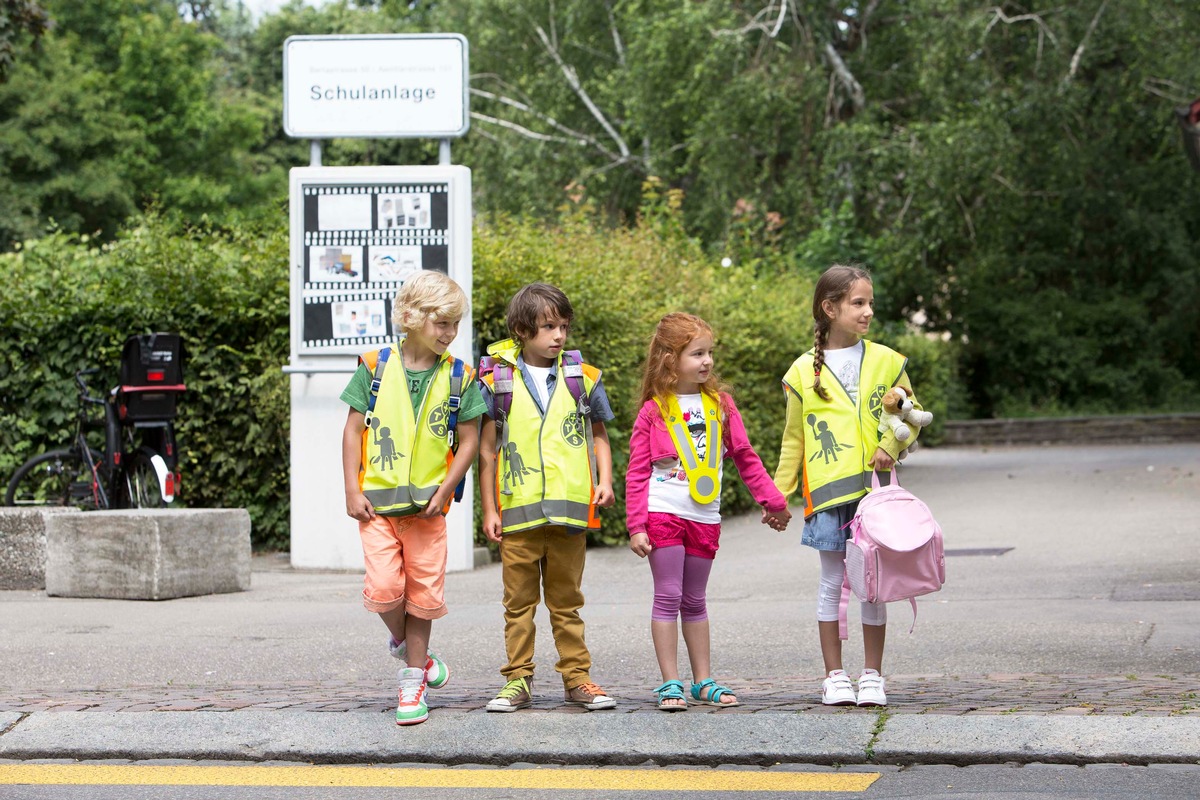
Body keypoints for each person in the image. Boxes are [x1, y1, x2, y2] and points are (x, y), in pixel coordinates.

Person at [773, 264, 927, 708]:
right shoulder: (802, 372)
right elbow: (794, 440)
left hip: (875, 497)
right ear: (830, 308)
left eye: (870, 303)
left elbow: (911, 418)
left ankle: (873, 676)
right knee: (831, 582)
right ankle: (834, 676)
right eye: (858, 303)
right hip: (827, 496)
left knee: (872, 584)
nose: (868, 312)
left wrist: (888, 448)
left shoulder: (887, 360)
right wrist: (776, 496)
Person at [339, 270, 485, 726]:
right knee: (384, 592)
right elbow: (352, 431)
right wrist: (350, 488)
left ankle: (411, 684)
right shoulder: (374, 366)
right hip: (377, 507)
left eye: (455, 325)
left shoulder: (461, 376)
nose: (450, 333)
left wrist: (445, 491)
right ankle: (410, 649)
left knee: (422, 597)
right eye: (442, 323)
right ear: (412, 317)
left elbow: (469, 440)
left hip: (427, 510)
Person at [626, 312, 792, 711]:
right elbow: (636, 470)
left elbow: (745, 457)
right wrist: (636, 525)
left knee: (695, 600)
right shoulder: (653, 411)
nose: (707, 361)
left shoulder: (721, 405)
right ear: (670, 359)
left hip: (705, 518)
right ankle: (670, 683)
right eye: (697, 353)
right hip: (664, 513)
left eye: (709, 352)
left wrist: (774, 501)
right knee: (668, 596)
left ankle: (703, 681)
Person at [477, 282, 618, 713]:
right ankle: (518, 680)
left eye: (563, 326)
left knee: (567, 603)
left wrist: (605, 480)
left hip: (570, 513)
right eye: (548, 327)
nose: (558, 335)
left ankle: (577, 679)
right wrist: (488, 509)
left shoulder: (584, 378)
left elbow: (600, 436)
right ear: (522, 329)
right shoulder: (495, 381)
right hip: (517, 515)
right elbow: (486, 449)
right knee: (517, 605)